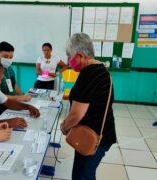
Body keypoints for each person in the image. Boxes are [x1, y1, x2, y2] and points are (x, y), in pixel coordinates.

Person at [60, 33, 116, 180]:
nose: (68, 61)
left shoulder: (88, 74)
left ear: (80, 55)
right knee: (86, 174)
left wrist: (65, 127)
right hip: (102, 134)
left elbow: (76, 115)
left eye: (69, 56)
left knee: (82, 176)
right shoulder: (101, 69)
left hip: (94, 137)